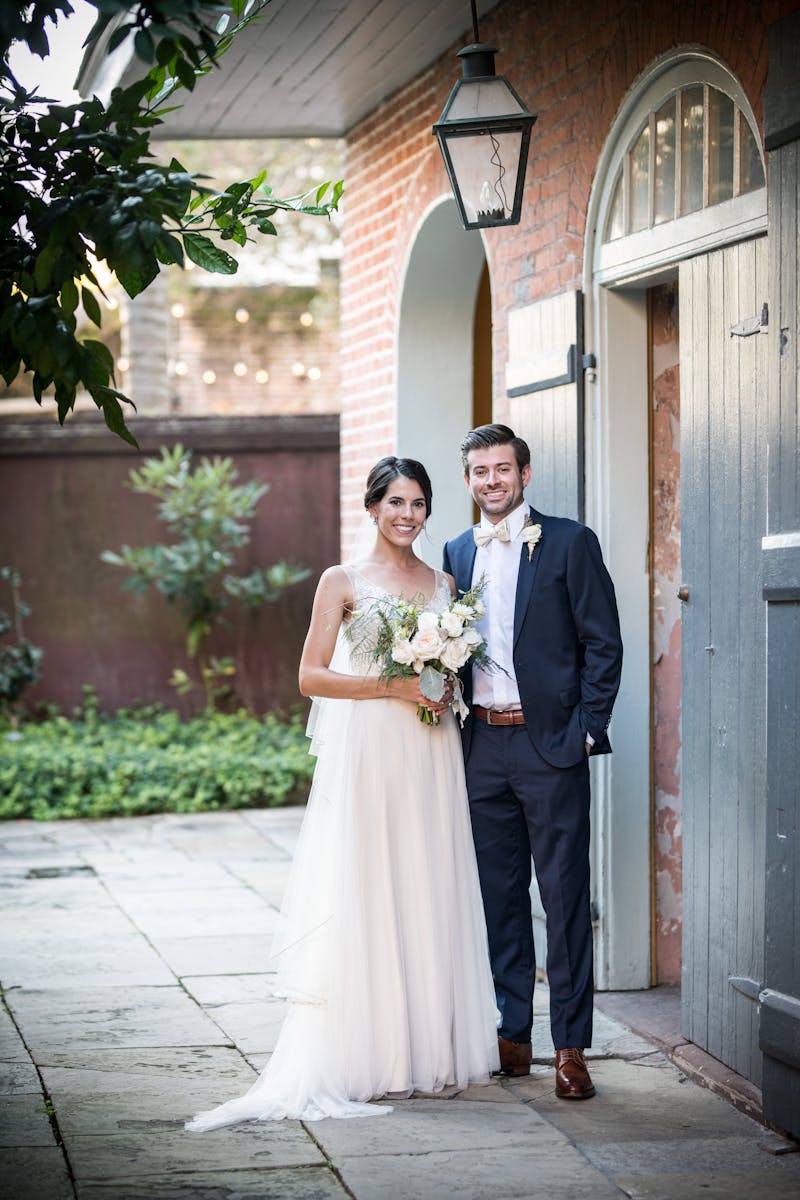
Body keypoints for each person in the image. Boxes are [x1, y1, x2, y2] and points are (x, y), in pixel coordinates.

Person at [186, 456, 499, 1130]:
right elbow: (309, 675)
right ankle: (374, 1056)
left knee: (428, 882)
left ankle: (428, 1052)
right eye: (395, 502)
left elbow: (452, 670)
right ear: (371, 507)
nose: (407, 515)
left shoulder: (444, 582)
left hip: (432, 749)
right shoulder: (342, 580)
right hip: (372, 751)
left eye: (418, 503)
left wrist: (438, 683)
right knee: (373, 884)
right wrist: (391, 686)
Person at [443, 424, 622, 1101]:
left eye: (501, 468)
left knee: (564, 897)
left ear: (524, 473)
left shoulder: (571, 543)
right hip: (481, 746)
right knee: (498, 897)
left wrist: (586, 732)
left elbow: (603, 644)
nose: (491, 480)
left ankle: (571, 1048)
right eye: (479, 471)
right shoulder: (456, 551)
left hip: (551, 746)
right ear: (468, 481)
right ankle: (511, 1034)